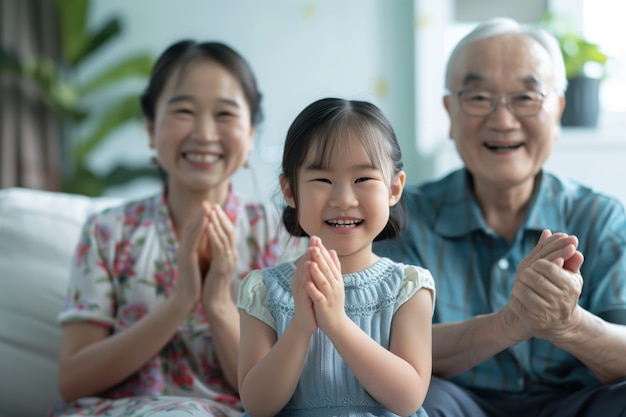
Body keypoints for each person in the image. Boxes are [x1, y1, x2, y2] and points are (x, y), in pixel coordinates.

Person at [373, 17, 626, 417]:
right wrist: (509, 323)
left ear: (557, 110)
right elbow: (384, 348)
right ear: (450, 112)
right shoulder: (404, 218)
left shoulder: (601, 217)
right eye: (477, 98)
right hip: (451, 404)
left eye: (525, 98)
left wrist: (568, 324)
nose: (503, 120)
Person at [49, 40, 305, 417]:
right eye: (183, 111)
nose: (203, 133)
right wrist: (181, 300)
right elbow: (73, 380)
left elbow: (284, 391)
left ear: (250, 134)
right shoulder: (107, 231)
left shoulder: (281, 232)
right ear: (152, 130)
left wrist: (217, 303)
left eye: (225, 114)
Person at [237, 97, 436, 417]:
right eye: (322, 180)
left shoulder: (408, 287)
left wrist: (337, 324)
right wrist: (302, 325)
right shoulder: (262, 290)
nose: (343, 199)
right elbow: (258, 404)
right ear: (290, 191)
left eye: (363, 180)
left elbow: (408, 398)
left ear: (394, 188)